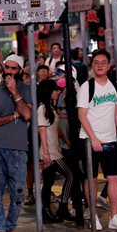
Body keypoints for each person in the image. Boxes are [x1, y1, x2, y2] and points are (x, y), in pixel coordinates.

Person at [77, 49, 117, 230]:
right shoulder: (87, 87)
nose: (99, 65)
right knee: (90, 179)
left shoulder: (115, 86)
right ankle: (93, 216)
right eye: (96, 62)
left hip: (111, 140)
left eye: (103, 62)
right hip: (90, 140)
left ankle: (114, 217)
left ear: (109, 65)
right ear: (92, 65)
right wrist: (94, 139)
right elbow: (82, 115)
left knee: (114, 178)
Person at [0, 54, 32, 232]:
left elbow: (27, 115)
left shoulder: (26, 90)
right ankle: (0, 231)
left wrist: (15, 93)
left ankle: (10, 227)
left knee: (18, 192)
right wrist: (12, 116)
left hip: (18, 149)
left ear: (20, 71)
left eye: (14, 69)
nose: (10, 72)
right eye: (7, 68)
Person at [37, 80, 74, 223]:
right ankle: (61, 207)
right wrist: (46, 154)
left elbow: (55, 128)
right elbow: (42, 131)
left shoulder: (50, 108)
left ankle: (47, 210)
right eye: (55, 89)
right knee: (70, 176)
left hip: (53, 151)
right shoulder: (42, 108)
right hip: (50, 153)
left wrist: (66, 140)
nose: (58, 91)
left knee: (49, 182)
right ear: (47, 91)